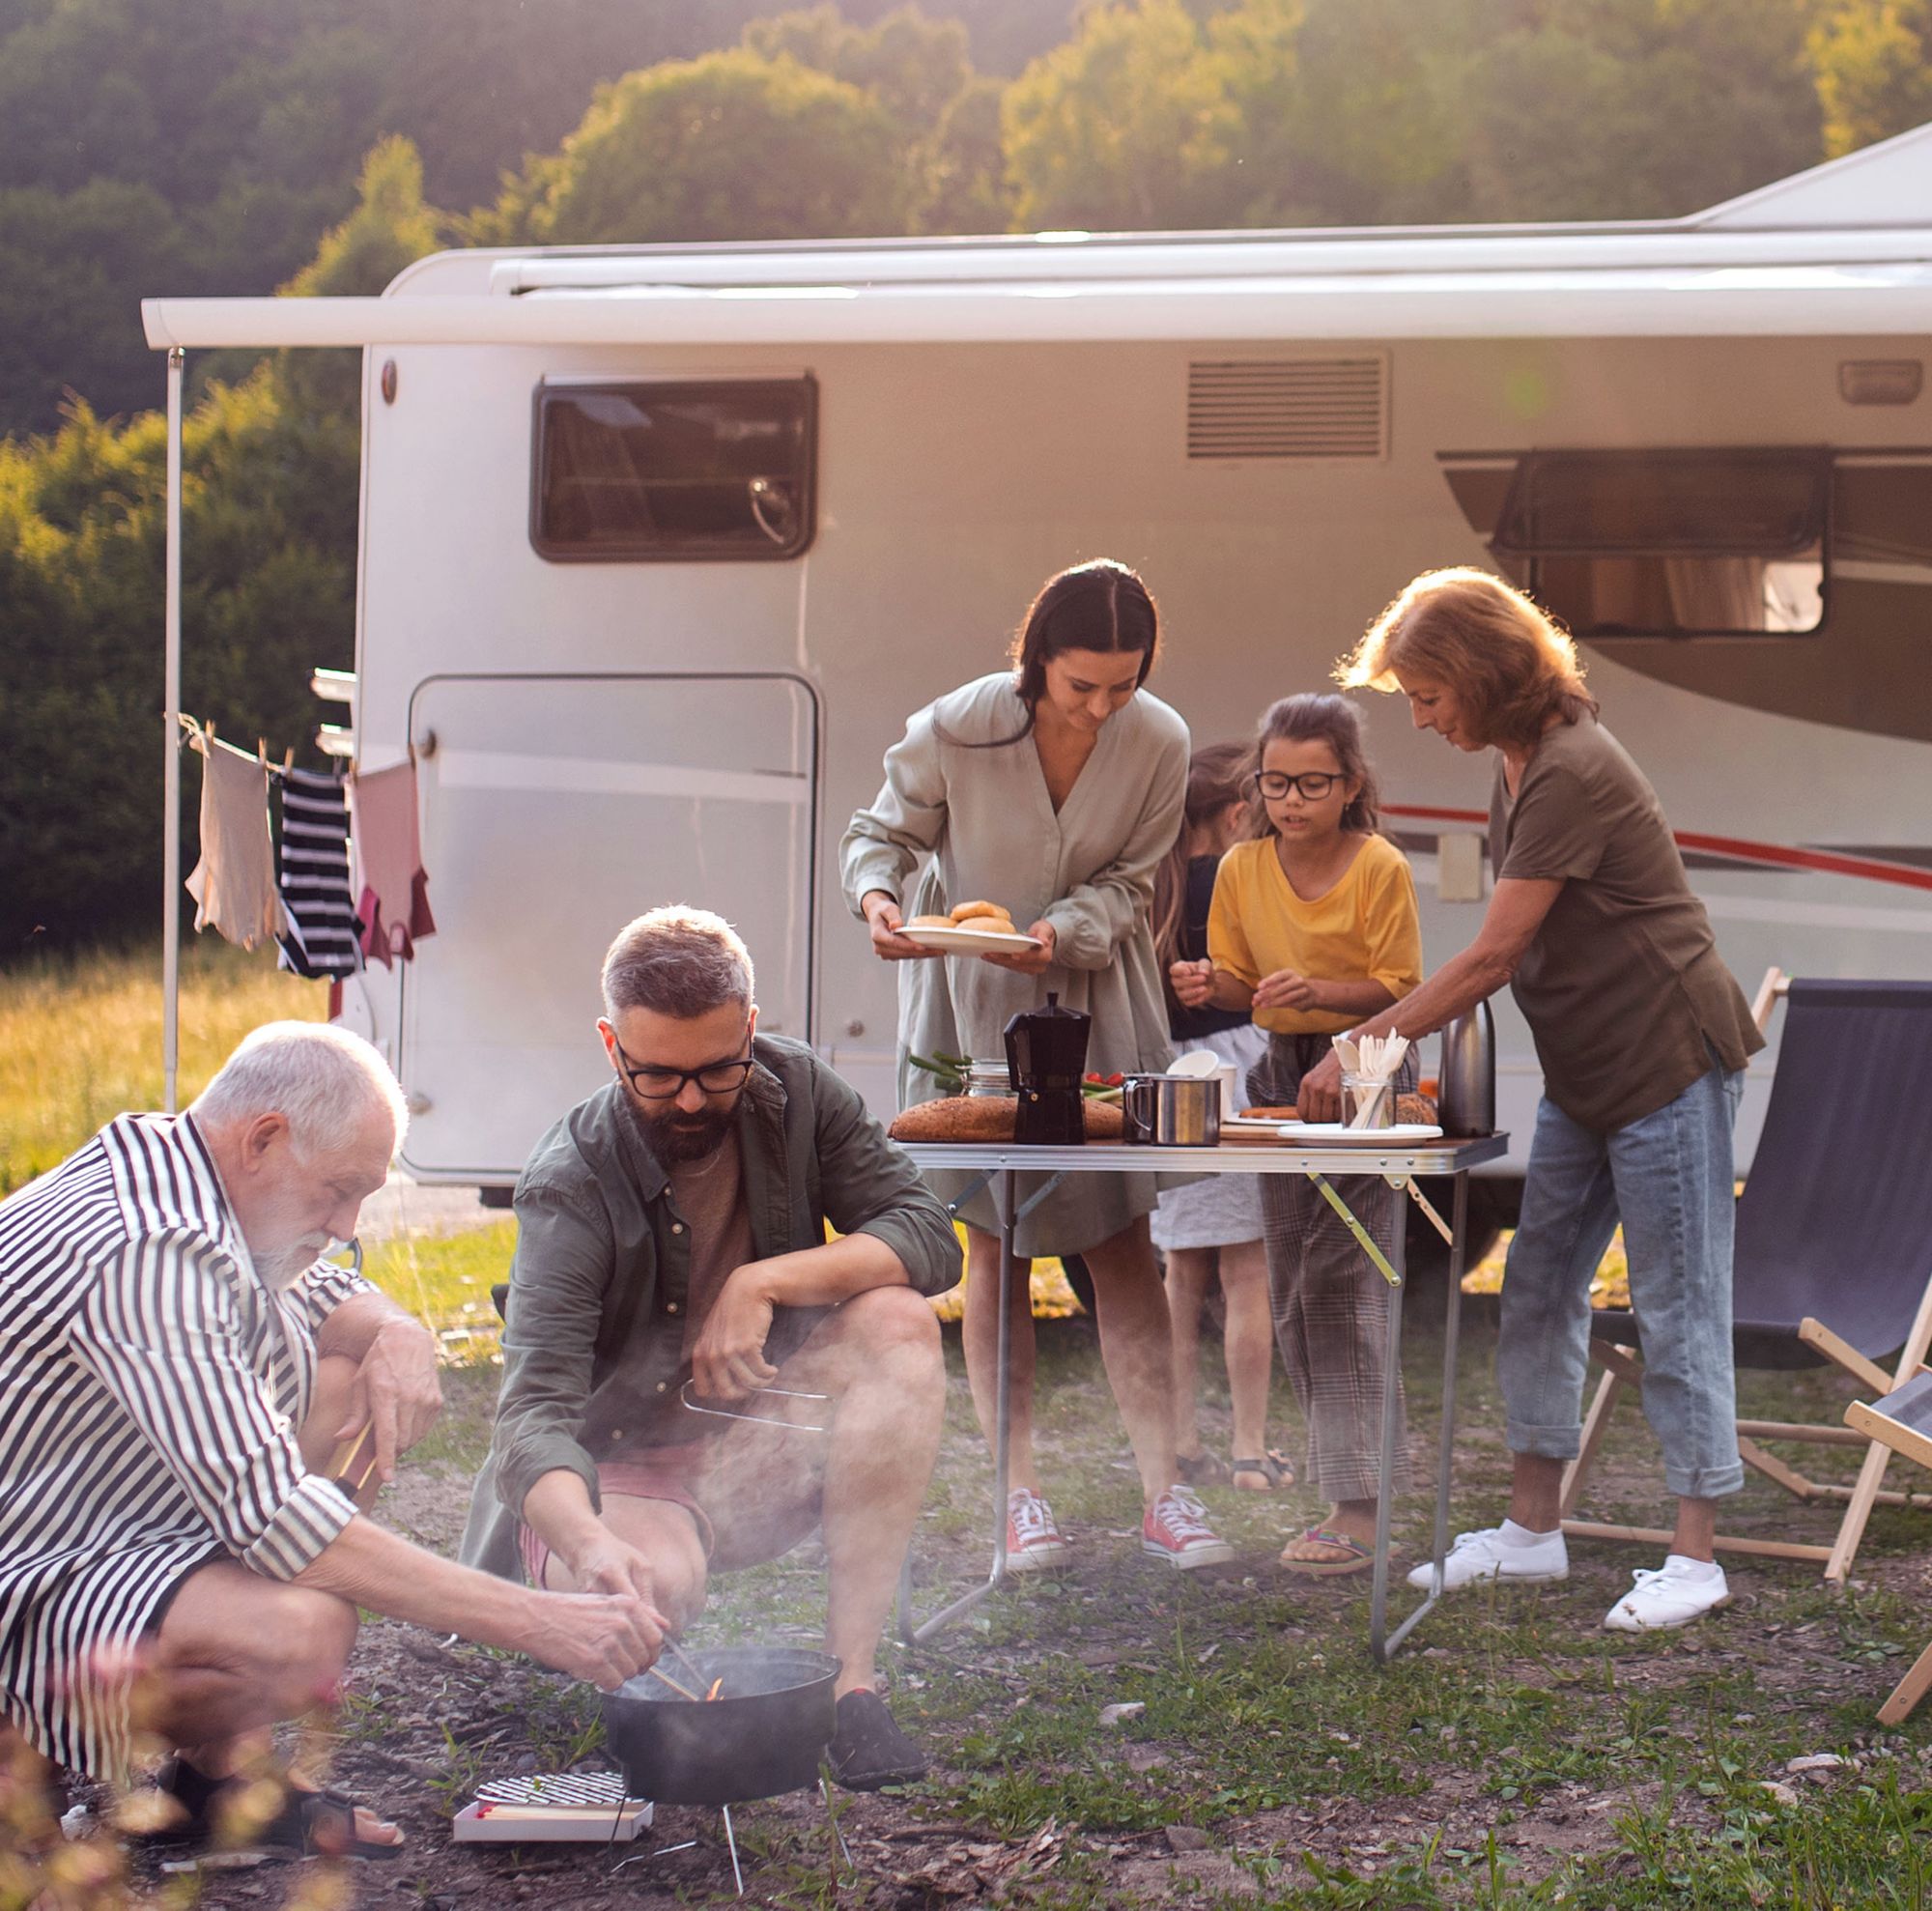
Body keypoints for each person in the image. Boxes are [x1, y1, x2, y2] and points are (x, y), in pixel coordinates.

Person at [0, 1023, 663, 1859]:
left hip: (83, 1531)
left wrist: (396, 1327)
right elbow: (279, 1522)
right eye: (340, 1190)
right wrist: (544, 1621)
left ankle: (218, 1780)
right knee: (301, 1635)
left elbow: (326, 1290)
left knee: (351, 1377)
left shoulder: (189, 1171)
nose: (347, 1223)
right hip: (23, 1579)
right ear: (265, 1137)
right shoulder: (147, 1251)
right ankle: (21, 1733)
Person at [1308, 567, 1763, 1631]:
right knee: (1537, 1290)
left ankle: (1694, 1557)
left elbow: (1494, 953)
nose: (1418, 717)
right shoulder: (1518, 760)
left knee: (1673, 1306)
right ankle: (1530, 1533)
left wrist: (1363, 1044)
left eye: (1426, 693)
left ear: (1480, 671)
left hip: (1664, 1059)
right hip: (1585, 1076)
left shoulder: (1570, 765)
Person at [459, 906, 959, 1788]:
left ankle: (853, 1688)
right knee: (654, 1586)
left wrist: (761, 1284)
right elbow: (530, 1417)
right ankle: (612, 1586)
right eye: (657, 1076)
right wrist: (587, 1543)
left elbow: (928, 1235)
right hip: (626, 1471)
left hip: (763, 1448)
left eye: (716, 1070)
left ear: (751, 1032)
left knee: (898, 1321)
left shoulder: (796, 1089)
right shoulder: (568, 1184)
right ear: (612, 1047)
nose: (690, 1100)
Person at [841, 558, 1233, 1573]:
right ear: (1035, 664)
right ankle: (1020, 1498)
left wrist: (1057, 933)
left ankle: (1162, 1494)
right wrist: (881, 904)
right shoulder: (957, 725)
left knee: (1117, 1241)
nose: (1103, 707)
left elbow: (1132, 878)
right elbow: (878, 834)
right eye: (1080, 686)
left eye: (1123, 683)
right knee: (991, 1246)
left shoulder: (1160, 738)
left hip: (1097, 1003)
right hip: (965, 1007)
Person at [1172, 694, 1424, 1575]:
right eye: (1275, 783)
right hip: (1283, 1071)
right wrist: (1214, 986)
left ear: (1350, 784)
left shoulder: (1379, 865)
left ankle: (1362, 1505)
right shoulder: (1243, 866)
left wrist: (1313, 991)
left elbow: (1400, 989)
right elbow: (1248, 990)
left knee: (1342, 1278)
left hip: (1366, 1069)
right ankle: (1349, 1491)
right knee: (1288, 1284)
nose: (1291, 800)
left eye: (1312, 783)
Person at [1149, 740, 1283, 1496]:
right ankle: (1249, 1449)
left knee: (1181, 1274)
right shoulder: (1238, 881)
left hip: (1169, 1083)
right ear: (1237, 814)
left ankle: (1179, 1442)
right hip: (1234, 1075)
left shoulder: (1154, 887)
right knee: (1248, 1272)